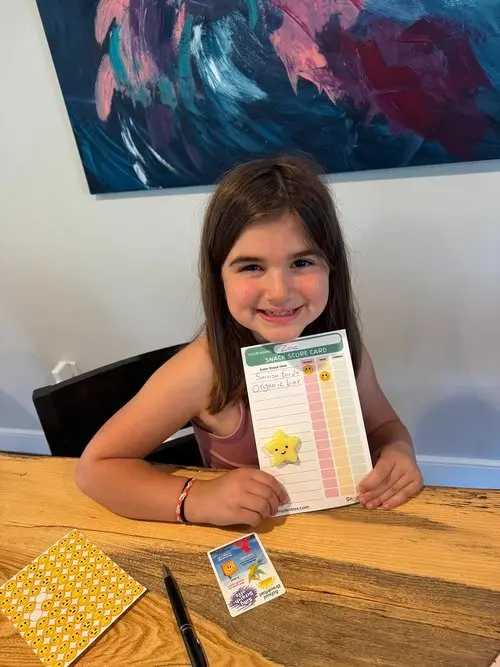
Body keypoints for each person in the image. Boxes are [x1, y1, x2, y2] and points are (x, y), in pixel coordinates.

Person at [75, 154, 423, 527]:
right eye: (252, 267)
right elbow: (96, 468)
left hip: (348, 528)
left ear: (331, 268)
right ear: (219, 277)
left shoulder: (343, 351)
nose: (279, 291)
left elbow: (384, 426)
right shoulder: (202, 370)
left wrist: (397, 450)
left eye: (302, 263)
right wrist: (199, 498)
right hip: (253, 540)